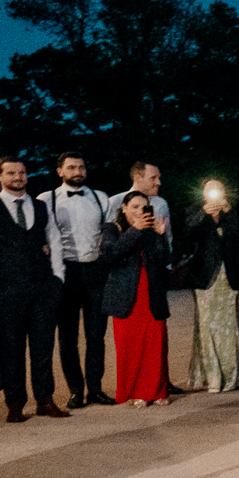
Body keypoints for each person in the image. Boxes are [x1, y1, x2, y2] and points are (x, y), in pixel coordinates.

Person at [0, 155, 69, 422]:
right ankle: (15, 403)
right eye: (11, 173)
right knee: (12, 348)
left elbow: (54, 241)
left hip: (42, 287)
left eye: (22, 173)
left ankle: (45, 400)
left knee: (43, 346)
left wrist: (57, 277)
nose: (18, 178)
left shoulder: (40, 206)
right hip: (8, 289)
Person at [38, 151, 115, 407]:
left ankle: (95, 388)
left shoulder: (100, 197)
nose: (78, 172)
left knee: (96, 335)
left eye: (81, 167)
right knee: (67, 336)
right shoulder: (45, 199)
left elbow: (110, 230)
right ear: (60, 171)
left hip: (95, 271)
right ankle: (75, 391)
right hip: (65, 272)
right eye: (71, 168)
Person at [111, 161, 180, 394]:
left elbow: (167, 238)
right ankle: (134, 386)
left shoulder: (161, 203)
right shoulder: (114, 202)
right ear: (138, 178)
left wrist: (164, 254)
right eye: (154, 178)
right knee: (130, 337)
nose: (159, 182)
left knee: (157, 334)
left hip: (153, 274)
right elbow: (111, 246)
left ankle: (161, 381)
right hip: (127, 278)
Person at [101, 192, 172, 406]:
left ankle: (158, 390)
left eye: (144, 206)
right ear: (124, 208)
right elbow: (109, 255)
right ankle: (136, 391)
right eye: (135, 206)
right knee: (130, 345)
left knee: (155, 343)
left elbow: (164, 260)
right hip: (126, 293)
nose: (140, 211)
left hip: (151, 291)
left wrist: (160, 236)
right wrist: (134, 231)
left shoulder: (151, 229)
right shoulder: (113, 228)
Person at [185, 179, 239, 392]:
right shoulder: (194, 212)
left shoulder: (230, 214)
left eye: (219, 189)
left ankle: (233, 375)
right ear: (203, 193)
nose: (215, 193)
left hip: (229, 277)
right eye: (210, 189)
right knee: (206, 326)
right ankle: (212, 377)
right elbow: (187, 234)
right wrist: (204, 214)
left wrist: (229, 213)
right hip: (205, 277)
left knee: (229, 325)